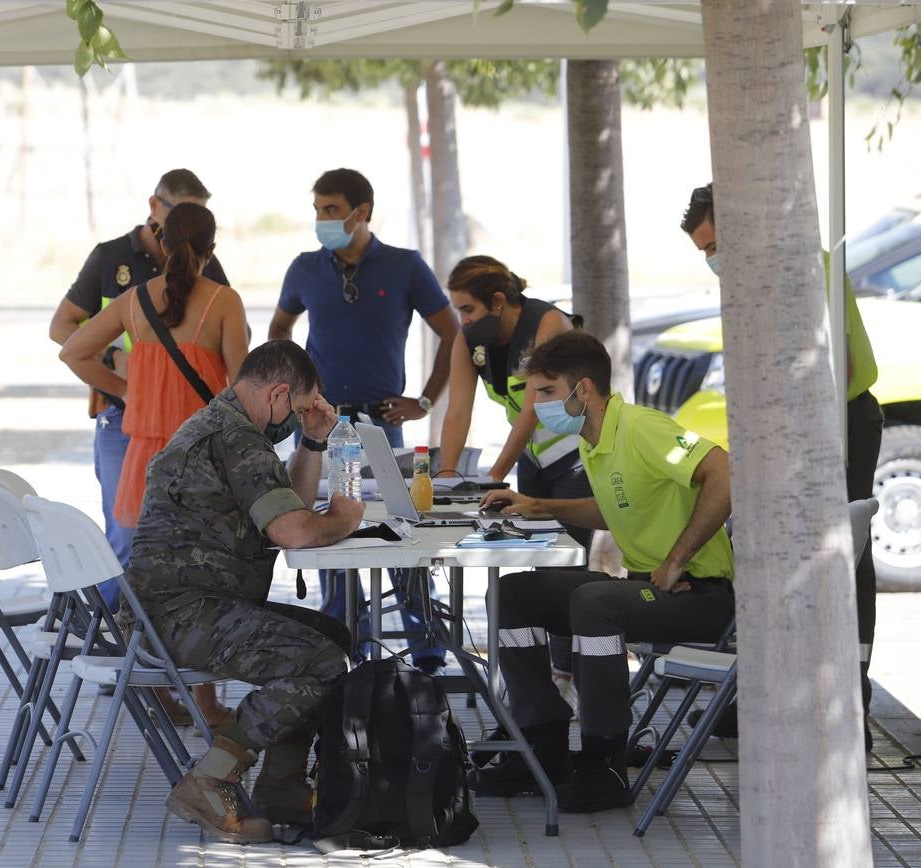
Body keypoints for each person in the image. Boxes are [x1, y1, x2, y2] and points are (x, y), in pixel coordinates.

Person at [480, 330, 734, 813]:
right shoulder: (595, 439)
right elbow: (614, 510)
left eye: (546, 392)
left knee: (594, 602)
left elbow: (723, 472)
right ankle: (542, 743)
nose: (536, 405)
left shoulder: (639, 427)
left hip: (700, 596)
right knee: (515, 594)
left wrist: (676, 559)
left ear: (585, 390)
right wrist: (536, 504)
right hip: (646, 589)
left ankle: (605, 762)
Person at [127, 340, 364, 843]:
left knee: (330, 637)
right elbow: (296, 531)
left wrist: (314, 442)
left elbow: (289, 509)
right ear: (278, 393)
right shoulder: (237, 439)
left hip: (178, 607)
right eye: (298, 409)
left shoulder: (222, 426)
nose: (296, 418)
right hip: (183, 617)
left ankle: (281, 785)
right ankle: (210, 779)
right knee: (319, 661)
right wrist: (343, 517)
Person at [681, 182, 882, 750]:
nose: (712, 259)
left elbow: (831, 365)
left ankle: (851, 703)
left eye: (715, 244)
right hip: (789, 430)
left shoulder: (800, 267)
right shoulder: (752, 280)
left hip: (836, 421)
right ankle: (769, 694)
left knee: (845, 557)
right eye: (703, 252)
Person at [60, 201, 248, 727]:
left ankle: (164, 686)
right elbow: (242, 387)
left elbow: (72, 352)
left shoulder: (132, 301)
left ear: (162, 245)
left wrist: (132, 394)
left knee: (156, 579)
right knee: (208, 585)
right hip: (203, 457)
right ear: (212, 249)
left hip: (144, 457)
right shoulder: (224, 303)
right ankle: (206, 704)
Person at [269, 168, 459, 671]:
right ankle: (345, 645)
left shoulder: (404, 265)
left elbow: (453, 332)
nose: (321, 220)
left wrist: (424, 399)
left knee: (402, 530)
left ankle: (428, 654)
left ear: (362, 211)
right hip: (319, 426)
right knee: (328, 530)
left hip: (382, 426)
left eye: (331, 210)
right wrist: (297, 392)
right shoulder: (305, 268)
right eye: (317, 210)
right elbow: (280, 328)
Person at [49, 169, 228, 610]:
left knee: (188, 548)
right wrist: (117, 368)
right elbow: (62, 329)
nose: (185, 227)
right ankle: (119, 652)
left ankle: (164, 660)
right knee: (126, 543)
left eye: (197, 217)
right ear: (154, 208)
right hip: (126, 424)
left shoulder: (213, 276)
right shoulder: (111, 258)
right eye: (177, 215)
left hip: (191, 433)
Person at [437, 255, 594, 710]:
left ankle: (571, 678)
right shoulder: (470, 342)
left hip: (574, 455)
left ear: (499, 300)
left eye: (467, 310)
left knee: (566, 572)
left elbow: (530, 409)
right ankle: (548, 681)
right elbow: (457, 410)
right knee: (537, 569)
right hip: (533, 461)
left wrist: (493, 475)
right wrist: (447, 480)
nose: (462, 321)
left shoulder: (547, 323)